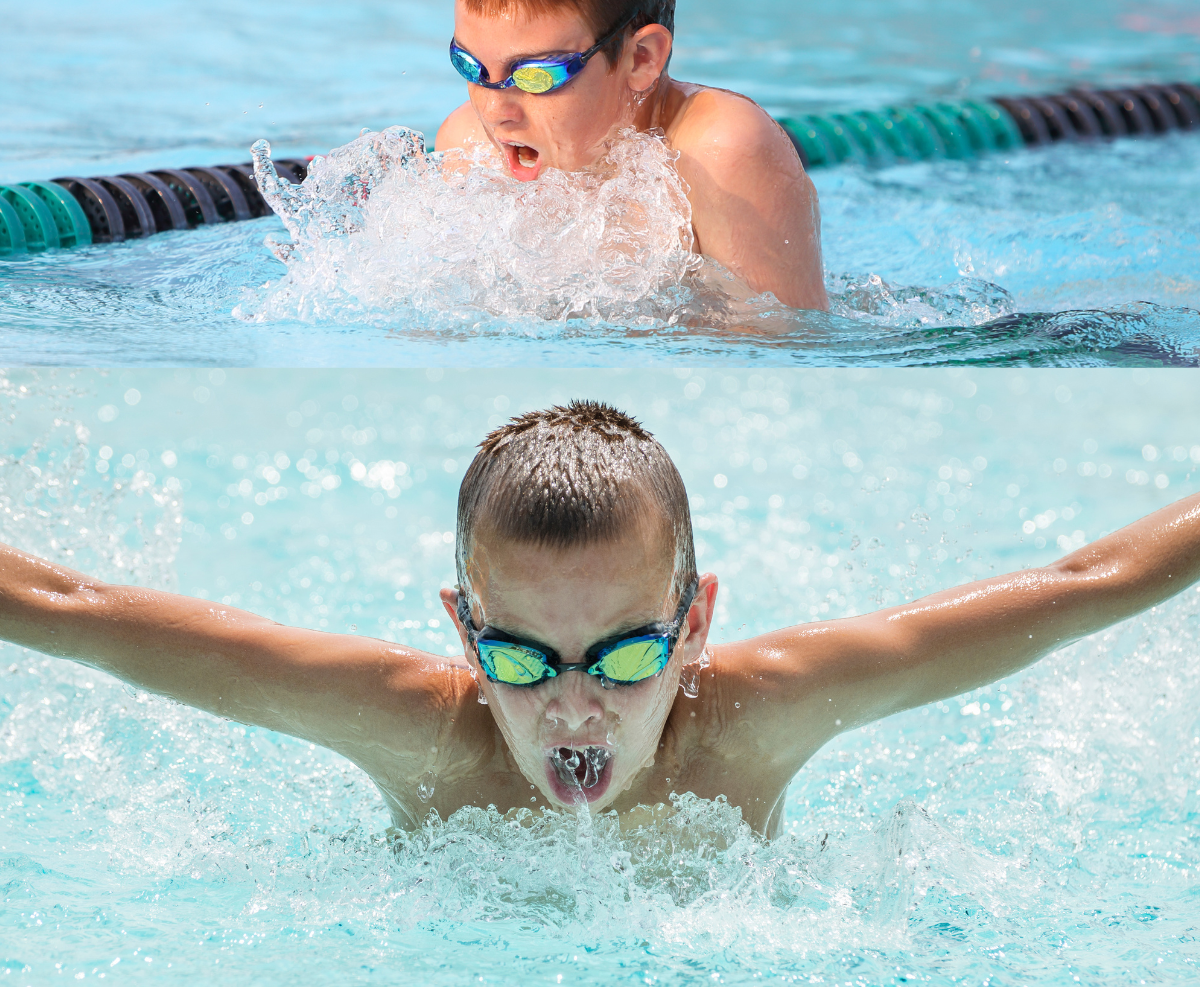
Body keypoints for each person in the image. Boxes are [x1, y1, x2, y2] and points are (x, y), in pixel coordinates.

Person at [1, 400, 1197, 837]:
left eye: (625, 654)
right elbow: (71, 607)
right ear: (466, 636)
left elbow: (1086, 581)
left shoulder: (758, 722)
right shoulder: (419, 732)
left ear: (694, 626)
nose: (575, 706)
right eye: (522, 658)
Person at [434, 0, 829, 312]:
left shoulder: (721, 156)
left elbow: (785, 352)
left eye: (535, 75)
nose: (495, 110)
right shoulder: (467, 149)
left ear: (641, 58)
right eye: (469, 66)